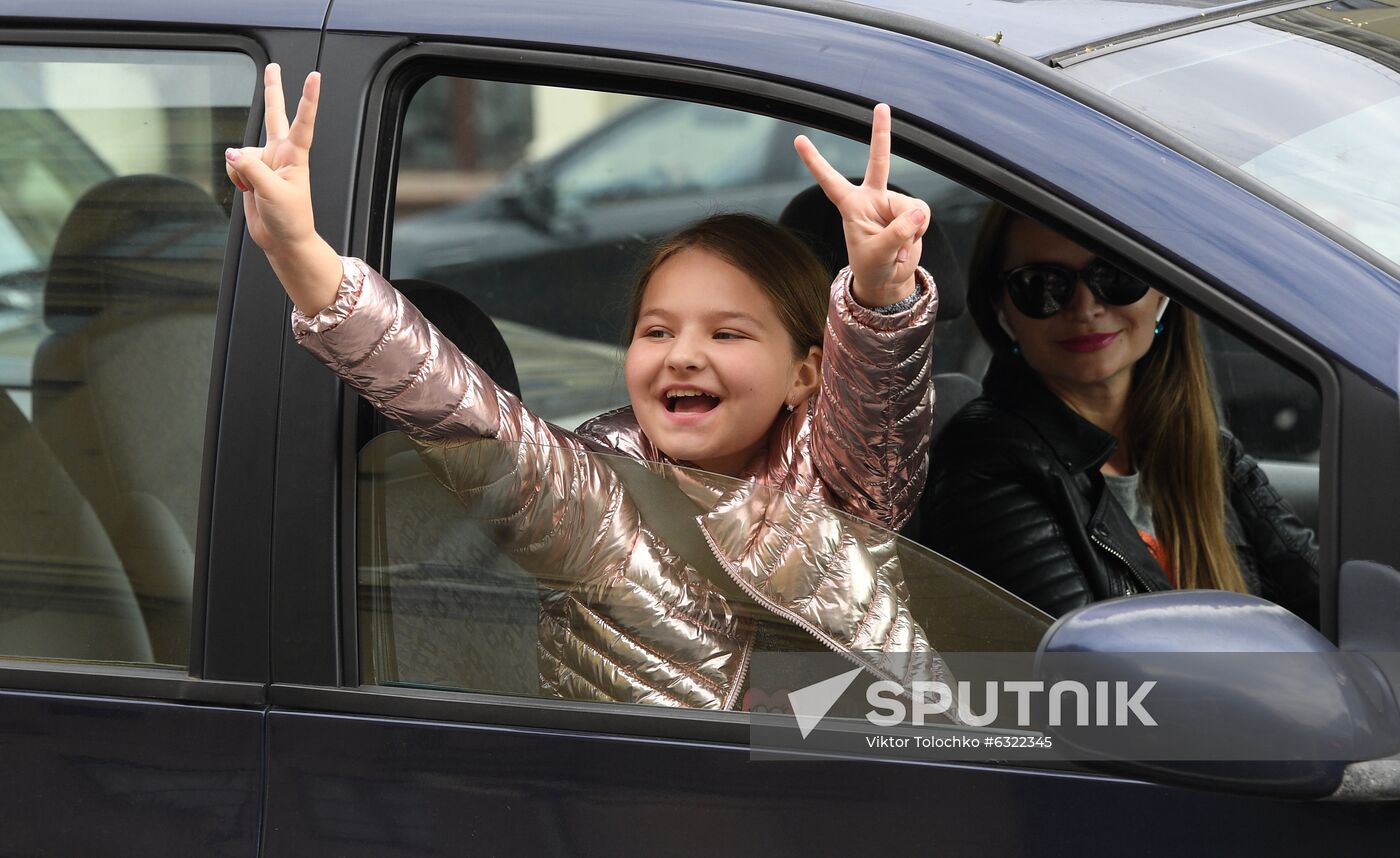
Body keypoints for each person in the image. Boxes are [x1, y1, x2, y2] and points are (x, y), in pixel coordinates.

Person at [226, 64, 948, 709]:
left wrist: (882, 294)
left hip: (893, 790)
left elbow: (882, 404)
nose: (683, 356)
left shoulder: (846, 483)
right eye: (657, 331)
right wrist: (301, 254)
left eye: (727, 334)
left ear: (806, 374)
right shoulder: (599, 502)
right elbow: (464, 410)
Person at [918, 206, 1319, 624]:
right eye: (1043, 286)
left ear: (1162, 291)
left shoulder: (1207, 448)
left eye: (1114, 276)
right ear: (1002, 309)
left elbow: (1324, 596)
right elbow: (1094, 677)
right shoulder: (987, 466)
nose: (1085, 307)